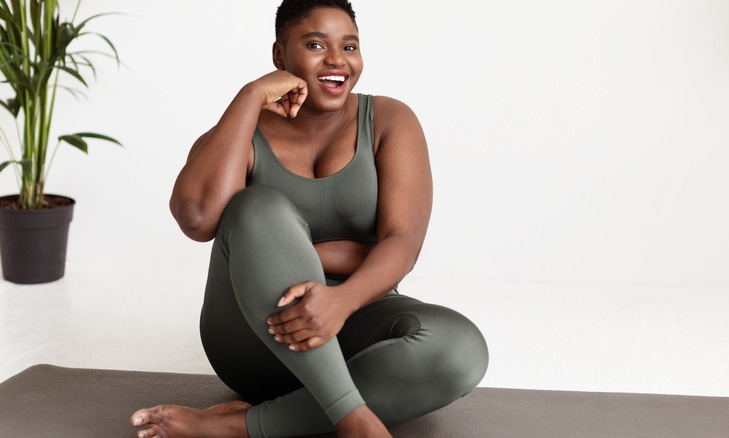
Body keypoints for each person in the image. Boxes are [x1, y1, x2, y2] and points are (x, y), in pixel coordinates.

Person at [131, 1, 489, 437]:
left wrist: (336, 297)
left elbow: (402, 242)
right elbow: (198, 219)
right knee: (258, 207)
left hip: (353, 318)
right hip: (255, 336)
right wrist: (249, 97)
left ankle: (235, 427)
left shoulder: (390, 120)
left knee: (459, 349)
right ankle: (353, 419)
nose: (338, 60)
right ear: (280, 55)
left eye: (350, 46)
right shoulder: (244, 131)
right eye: (316, 44)